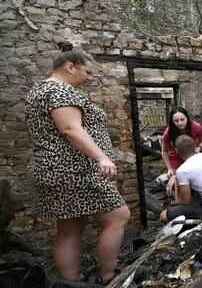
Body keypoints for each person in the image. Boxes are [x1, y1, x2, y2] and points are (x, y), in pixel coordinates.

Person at [25, 42, 130, 285]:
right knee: (118, 217)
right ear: (70, 67)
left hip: (55, 171)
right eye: (88, 72)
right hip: (72, 171)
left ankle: (70, 283)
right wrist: (101, 157)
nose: (90, 78)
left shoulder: (42, 89)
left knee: (70, 229)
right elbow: (70, 128)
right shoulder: (59, 91)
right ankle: (109, 277)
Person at [160, 135, 202, 224]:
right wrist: (176, 176)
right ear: (194, 146)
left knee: (163, 216)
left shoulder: (182, 170)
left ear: (176, 151)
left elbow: (186, 200)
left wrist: (173, 203)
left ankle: (182, 234)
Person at [161, 106, 202, 178]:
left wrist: (199, 147)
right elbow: (164, 151)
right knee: (177, 178)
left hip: (192, 154)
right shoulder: (168, 132)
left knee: (195, 176)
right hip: (176, 156)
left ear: (187, 118)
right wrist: (169, 169)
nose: (180, 123)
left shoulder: (196, 127)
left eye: (182, 119)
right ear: (172, 121)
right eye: (176, 121)